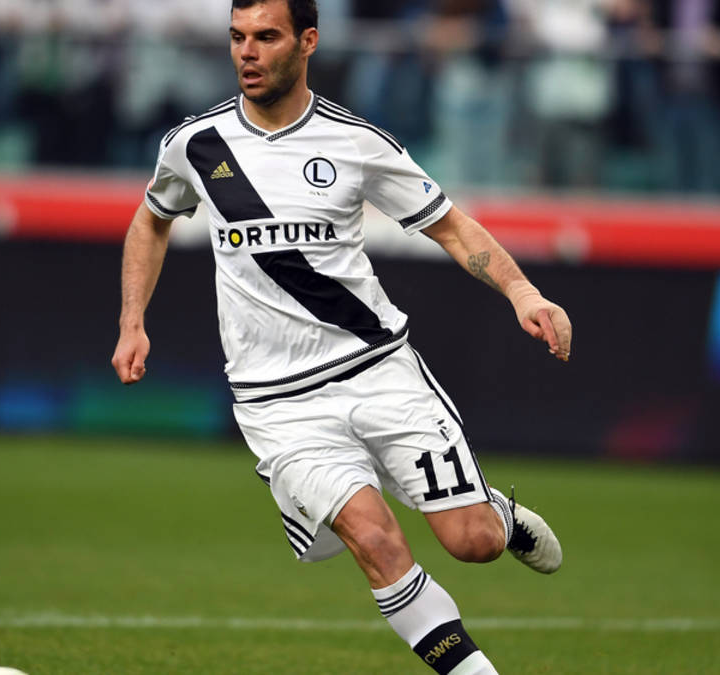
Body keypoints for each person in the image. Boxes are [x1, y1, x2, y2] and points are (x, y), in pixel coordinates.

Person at [110, 1, 571, 672]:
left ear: (308, 42)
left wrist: (523, 292)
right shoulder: (196, 144)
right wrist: (133, 321)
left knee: (471, 542)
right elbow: (151, 220)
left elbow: (450, 225)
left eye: (266, 37)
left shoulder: (356, 142)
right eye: (238, 37)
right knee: (375, 540)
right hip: (278, 403)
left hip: (377, 369)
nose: (247, 52)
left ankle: (496, 513)